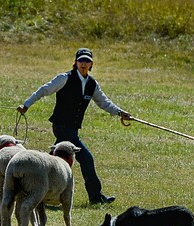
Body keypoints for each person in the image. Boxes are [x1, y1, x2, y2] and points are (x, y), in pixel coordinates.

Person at [16, 47, 131, 205]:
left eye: (87, 61)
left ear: (91, 64)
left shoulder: (92, 84)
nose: (83, 63)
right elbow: (44, 90)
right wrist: (26, 104)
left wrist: (120, 112)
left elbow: (104, 102)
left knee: (52, 159)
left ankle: (38, 193)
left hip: (72, 128)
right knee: (86, 158)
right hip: (62, 126)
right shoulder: (64, 78)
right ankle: (96, 197)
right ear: (75, 62)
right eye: (81, 60)